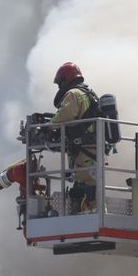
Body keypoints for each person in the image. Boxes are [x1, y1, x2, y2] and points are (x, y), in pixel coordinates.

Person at [50, 62, 102, 213]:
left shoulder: (74, 94)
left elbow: (64, 116)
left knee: (87, 184)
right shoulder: (89, 93)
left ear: (65, 80)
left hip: (84, 150)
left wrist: (48, 126)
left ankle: (92, 213)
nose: (59, 87)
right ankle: (89, 211)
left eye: (60, 83)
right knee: (87, 182)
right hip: (92, 149)